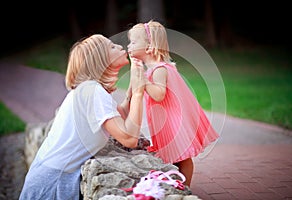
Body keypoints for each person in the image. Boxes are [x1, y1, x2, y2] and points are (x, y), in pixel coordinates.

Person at [19, 34, 145, 200]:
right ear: (100, 60)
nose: (120, 46)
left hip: (49, 175)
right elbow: (129, 138)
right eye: (112, 47)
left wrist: (132, 88)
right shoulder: (92, 92)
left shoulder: (89, 89)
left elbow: (118, 117)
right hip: (51, 184)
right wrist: (138, 94)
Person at [126, 20, 220, 187]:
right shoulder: (154, 68)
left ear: (149, 47)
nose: (129, 46)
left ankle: (185, 187)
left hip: (173, 123)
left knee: (183, 158)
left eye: (133, 42)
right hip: (165, 121)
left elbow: (160, 95)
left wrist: (144, 83)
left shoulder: (159, 69)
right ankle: (176, 185)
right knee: (174, 157)